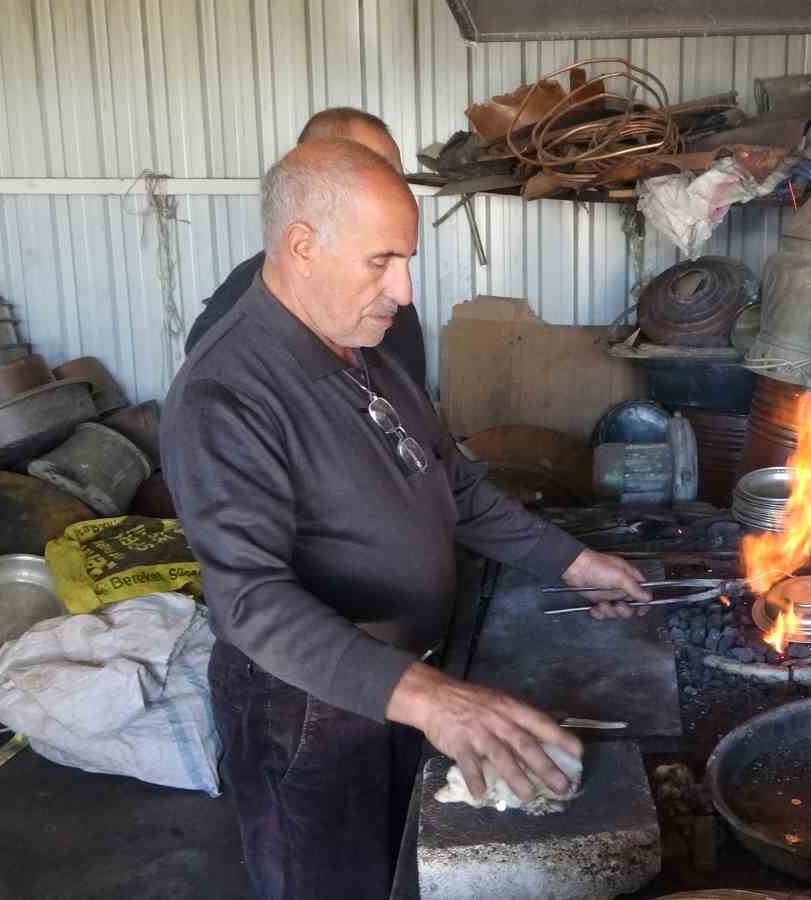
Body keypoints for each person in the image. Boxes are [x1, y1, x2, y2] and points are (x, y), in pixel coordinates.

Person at [161, 140, 650, 900]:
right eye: (381, 260)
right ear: (301, 246)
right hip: (306, 712)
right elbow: (250, 601)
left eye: (408, 259)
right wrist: (435, 700)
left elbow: (451, 484)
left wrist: (570, 562)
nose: (405, 288)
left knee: (407, 873)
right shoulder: (225, 393)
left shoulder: (367, 348)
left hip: (404, 681)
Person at [185, 107, 427, 389]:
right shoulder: (228, 352)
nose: (402, 293)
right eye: (367, 168)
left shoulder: (392, 301)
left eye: (396, 176)